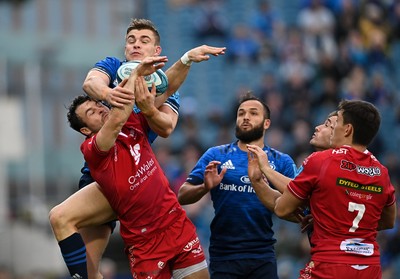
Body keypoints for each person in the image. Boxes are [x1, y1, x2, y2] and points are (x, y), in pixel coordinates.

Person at [49, 18, 225, 279]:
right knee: (86, 264)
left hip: (137, 170)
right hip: (103, 176)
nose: (135, 45)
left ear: (156, 51)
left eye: (144, 41)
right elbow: (90, 84)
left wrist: (185, 60)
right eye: (131, 40)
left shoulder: (161, 87)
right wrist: (110, 96)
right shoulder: (113, 70)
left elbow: (165, 127)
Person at [247, 99, 397, 279]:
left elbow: (282, 208)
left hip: (330, 265)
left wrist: (263, 171)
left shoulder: (321, 161)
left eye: (336, 123)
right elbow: (388, 221)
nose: (330, 128)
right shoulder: (382, 172)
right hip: (369, 267)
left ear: (347, 129)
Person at [178, 92, 297, 279]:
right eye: (241, 113)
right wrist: (204, 188)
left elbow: (297, 203)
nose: (245, 117)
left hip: (263, 254)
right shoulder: (216, 154)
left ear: (267, 123)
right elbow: (182, 195)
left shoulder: (281, 161)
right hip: (224, 255)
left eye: (253, 113)